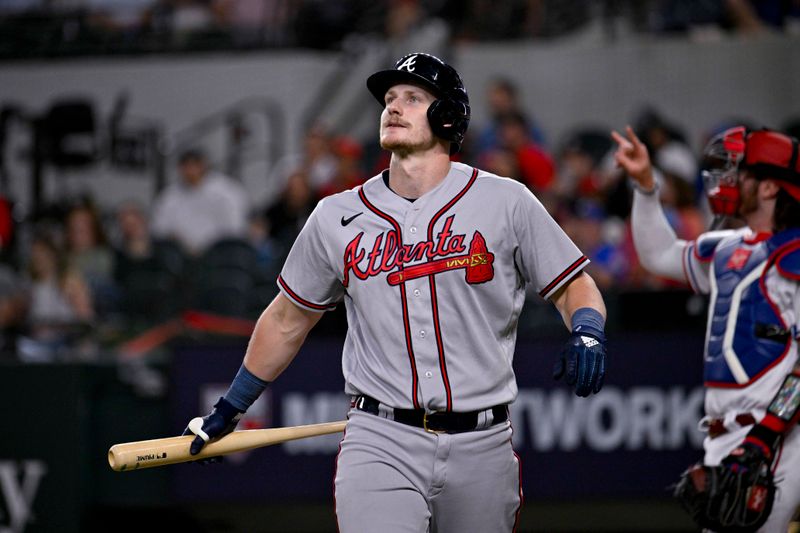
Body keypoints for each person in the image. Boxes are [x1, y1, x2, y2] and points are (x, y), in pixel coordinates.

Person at [184, 52, 608, 533]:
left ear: (448, 115)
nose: (393, 107)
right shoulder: (335, 215)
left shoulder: (505, 201)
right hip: (380, 437)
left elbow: (575, 285)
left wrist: (588, 331)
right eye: (389, 98)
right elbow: (286, 320)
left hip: (483, 442)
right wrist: (229, 408)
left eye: (412, 97)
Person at [612, 124, 800, 532]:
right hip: (728, 438)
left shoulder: (795, 254)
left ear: (770, 189)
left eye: (741, 172)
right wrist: (646, 187)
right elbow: (659, 254)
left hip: (778, 436)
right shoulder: (729, 247)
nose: (727, 180)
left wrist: (764, 438)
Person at [151, 148, 249, 256]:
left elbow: (235, 228)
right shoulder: (170, 196)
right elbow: (159, 229)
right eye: (186, 166)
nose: (190, 170)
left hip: (220, 255)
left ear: (203, 165)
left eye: (194, 165)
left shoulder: (226, 191)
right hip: (181, 257)